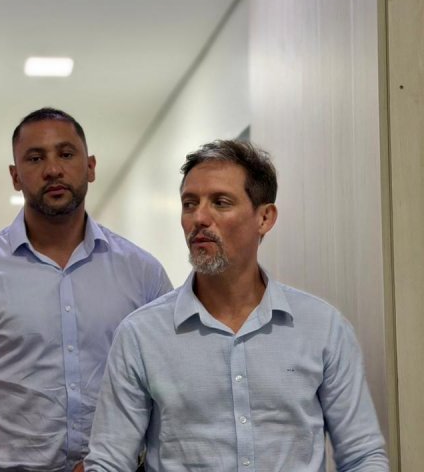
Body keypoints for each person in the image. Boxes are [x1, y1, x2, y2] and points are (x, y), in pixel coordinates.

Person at [85, 139, 388, 471]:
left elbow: (362, 456)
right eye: (189, 204)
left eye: (220, 202)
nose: (199, 218)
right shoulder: (141, 335)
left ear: (265, 218)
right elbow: (110, 461)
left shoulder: (323, 328)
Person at [0, 107, 172, 472]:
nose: (52, 169)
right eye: (35, 158)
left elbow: (172, 400)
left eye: (66, 154)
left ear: (91, 167)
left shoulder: (143, 274)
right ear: (15, 176)